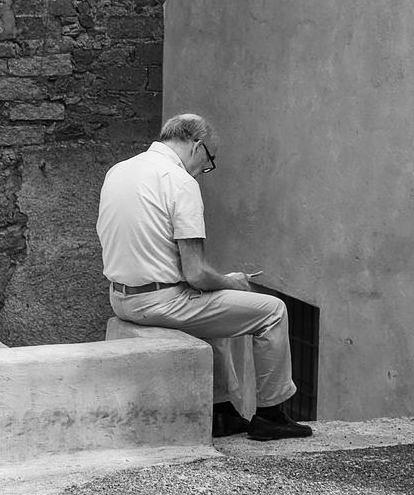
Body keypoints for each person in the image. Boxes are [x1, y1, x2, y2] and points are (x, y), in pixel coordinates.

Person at [96, 113, 312, 441]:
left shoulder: (119, 170)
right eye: (209, 160)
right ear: (197, 146)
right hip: (160, 302)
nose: (204, 169)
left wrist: (216, 285)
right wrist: (232, 281)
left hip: (121, 298)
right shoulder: (180, 181)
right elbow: (196, 273)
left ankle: (221, 412)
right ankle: (271, 415)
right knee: (272, 311)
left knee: (216, 310)